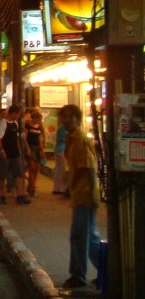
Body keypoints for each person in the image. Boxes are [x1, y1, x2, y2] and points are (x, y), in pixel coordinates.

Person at [60, 103, 101, 289]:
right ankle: (105, 270)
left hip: (85, 195)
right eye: (64, 117)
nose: (66, 121)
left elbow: (90, 170)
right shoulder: (71, 139)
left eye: (70, 117)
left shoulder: (81, 140)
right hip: (79, 193)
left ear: (78, 118)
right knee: (90, 237)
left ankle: (78, 276)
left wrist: (93, 195)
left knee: (79, 236)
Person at [0, 104, 31, 205]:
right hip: (6, 154)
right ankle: (1, 195)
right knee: (3, 175)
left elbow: (16, 138)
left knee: (19, 174)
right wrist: (1, 150)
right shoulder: (3, 123)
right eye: (18, 114)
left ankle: (20, 195)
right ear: (13, 113)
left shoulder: (15, 123)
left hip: (15, 154)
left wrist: (19, 150)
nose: (18, 116)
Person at [24, 110, 46, 196]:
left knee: (36, 169)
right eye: (36, 118)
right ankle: (32, 188)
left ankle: (30, 186)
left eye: (39, 119)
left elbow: (39, 139)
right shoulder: (27, 125)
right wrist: (27, 148)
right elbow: (25, 138)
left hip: (37, 148)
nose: (38, 120)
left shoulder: (39, 126)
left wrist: (42, 150)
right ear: (33, 118)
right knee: (31, 168)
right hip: (30, 147)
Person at [52, 119, 69, 195]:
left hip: (58, 149)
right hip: (63, 149)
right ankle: (62, 188)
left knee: (58, 169)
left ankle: (56, 187)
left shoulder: (60, 128)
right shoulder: (65, 128)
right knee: (62, 169)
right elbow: (66, 139)